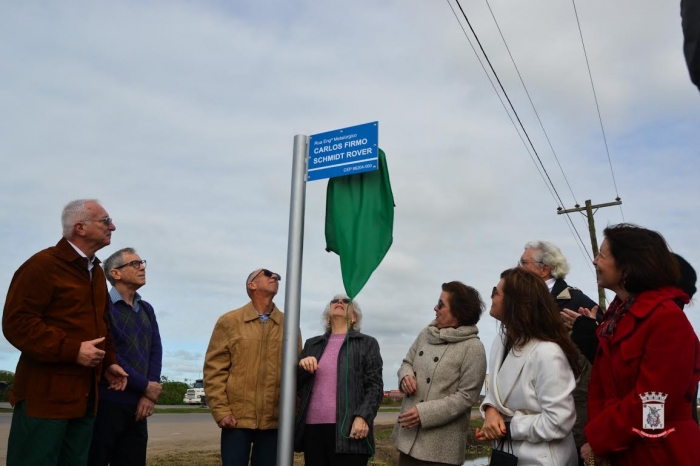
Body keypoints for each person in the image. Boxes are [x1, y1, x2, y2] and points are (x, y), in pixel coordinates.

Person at [2, 199, 128, 466]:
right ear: (80, 228)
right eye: (105, 221)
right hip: (45, 398)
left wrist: (109, 363)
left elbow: (102, 325)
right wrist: (73, 350)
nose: (113, 227)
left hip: (84, 399)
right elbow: (17, 323)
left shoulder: (96, 274)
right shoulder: (42, 265)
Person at [580, 224, 700, 465]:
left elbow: (655, 405)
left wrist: (601, 440)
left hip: (661, 453)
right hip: (622, 449)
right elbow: (603, 391)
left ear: (627, 266)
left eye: (602, 255)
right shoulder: (616, 318)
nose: (595, 261)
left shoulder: (666, 319)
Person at [477, 268, 581, 466]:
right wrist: (490, 410)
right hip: (507, 455)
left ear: (514, 302)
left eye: (495, 292)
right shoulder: (501, 341)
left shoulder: (547, 353)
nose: (491, 297)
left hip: (543, 459)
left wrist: (507, 427)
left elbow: (559, 421)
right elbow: (498, 391)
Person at [204, 268, 297, 466]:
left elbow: (296, 374)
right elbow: (214, 371)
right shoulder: (229, 321)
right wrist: (221, 411)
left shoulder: (289, 325)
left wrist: (292, 414)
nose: (275, 277)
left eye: (277, 276)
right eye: (267, 274)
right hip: (236, 419)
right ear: (251, 285)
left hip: (275, 422)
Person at [519, 241, 599, 465]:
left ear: (544, 269)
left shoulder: (576, 301)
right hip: (531, 413)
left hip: (567, 413)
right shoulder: (523, 302)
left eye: (523, 263)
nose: (518, 268)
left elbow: (597, 358)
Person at [393, 281, 487, 466]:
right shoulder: (426, 334)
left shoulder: (473, 348)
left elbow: (466, 397)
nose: (435, 308)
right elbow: (407, 363)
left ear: (458, 313)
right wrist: (406, 376)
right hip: (407, 440)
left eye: (441, 304)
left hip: (441, 451)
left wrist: (424, 413)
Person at [88, 247, 163, 466]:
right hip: (108, 401)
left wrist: (149, 394)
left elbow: (155, 350)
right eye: (135, 264)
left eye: (142, 263)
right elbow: (108, 351)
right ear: (115, 273)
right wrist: (145, 386)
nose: (142, 268)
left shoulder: (146, 309)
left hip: (139, 404)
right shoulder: (103, 305)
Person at [295, 294, 383, 466]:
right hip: (313, 430)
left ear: (354, 317)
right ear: (328, 316)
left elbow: (375, 386)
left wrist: (363, 417)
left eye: (346, 301)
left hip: (349, 429)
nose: (340, 302)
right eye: (335, 301)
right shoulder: (312, 344)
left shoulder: (367, 343)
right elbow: (296, 384)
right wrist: (303, 367)